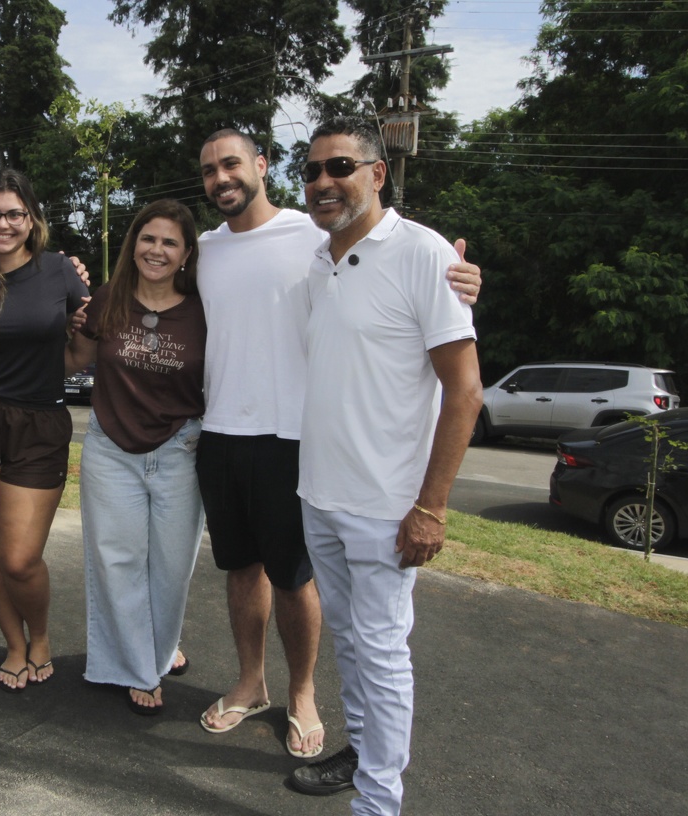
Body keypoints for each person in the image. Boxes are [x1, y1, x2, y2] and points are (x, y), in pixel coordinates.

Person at [192, 129, 483, 760]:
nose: (222, 178)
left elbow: (408, 283)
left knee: (296, 580)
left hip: (294, 440)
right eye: (210, 170)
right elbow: (148, 284)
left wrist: (460, 279)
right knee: (241, 570)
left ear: (262, 167)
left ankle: (302, 695)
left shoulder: (315, 233)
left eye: (233, 164)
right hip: (222, 434)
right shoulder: (204, 249)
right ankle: (251, 683)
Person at [288, 116, 482, 815]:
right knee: (350, 643)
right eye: (310, 171)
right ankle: (364, 754)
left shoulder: (425, 255)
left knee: (382, 655)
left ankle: (378, 804)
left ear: (377, 173)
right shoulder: (319, 260)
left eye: (339, 166)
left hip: (387, 510)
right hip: (321, 497)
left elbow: (465, 391)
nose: (321, 183)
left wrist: (431, 507)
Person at [0, 168, 90, 693]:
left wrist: (63, 357)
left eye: (14, 214)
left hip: (39, 421)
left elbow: (85, 343)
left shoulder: (60, 272)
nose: (3, 224)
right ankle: (14, 643)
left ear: (32, 220)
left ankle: (41, 635)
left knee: (20, 557)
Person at [66, 199, 205, 715]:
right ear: (134, 244)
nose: (157, 250)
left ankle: (160, 649)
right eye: (149, 239)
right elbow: (76, 358)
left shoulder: (203, 308)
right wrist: (65, 322)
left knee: (170, 566)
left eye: (170, 242)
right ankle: (135, 666)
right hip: (110, 449)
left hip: (179, 449)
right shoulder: (108, 298)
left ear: (187, 253)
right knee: (117, 559)